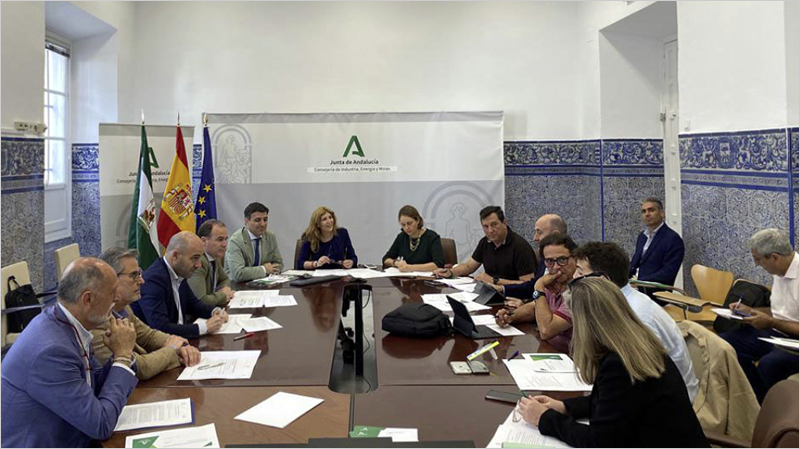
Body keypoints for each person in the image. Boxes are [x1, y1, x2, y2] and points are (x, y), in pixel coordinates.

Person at [517, 277, 708, 448]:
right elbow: (617, 402)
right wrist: (566, 407)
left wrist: (544, 418)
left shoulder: (619, 364)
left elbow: (599, 442)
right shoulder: (637, 343)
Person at [1, 258, 138, 447]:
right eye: (112, 293)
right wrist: (122, 357)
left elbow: (92, 386)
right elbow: (101, 426)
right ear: (87, 299)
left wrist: (119, 355)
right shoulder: (51, 351)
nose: (117, 299)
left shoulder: (67, 322)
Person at [572, 241, 699, 402]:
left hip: (667, 407)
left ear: (602, 280)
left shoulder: (637, 317)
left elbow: (637, 386)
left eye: (580, 271)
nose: (574, 277)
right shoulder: (619, 304)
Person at [94, 247, 202, 380]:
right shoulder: (95, 321)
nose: (141, 281)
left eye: (140, 274)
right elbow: (138, 368)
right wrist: (172, 350)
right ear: (111, 279)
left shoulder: (123, 308)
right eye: (134, 275)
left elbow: (149, 336)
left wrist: (182, 346)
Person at [722, 228, 799, 402]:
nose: (756, 264)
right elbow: (782, 312)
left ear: (775, 257)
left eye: (757, 259)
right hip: (776, 334)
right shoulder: (779, 271)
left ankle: (773, 411)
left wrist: (770, 321)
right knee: (726, 344)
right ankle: (755, 401)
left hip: (796, 343)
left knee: (769, 365)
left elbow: (779, 320)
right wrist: (750, 311)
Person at [133, 231, 229, 338]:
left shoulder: (180, 271)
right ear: (175, 256)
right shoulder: (152, 281)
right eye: (194, 258)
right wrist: (204, 327)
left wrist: (214, 311)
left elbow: (194, 305)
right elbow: (160, 328)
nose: (198, 265)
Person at [495, 234, 577, 353]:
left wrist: (538, 286)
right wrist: (510, 316)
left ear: (575, 258)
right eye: (549, 261)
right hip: (550, 351)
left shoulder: (580, 291)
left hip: (572, 360)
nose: (556, 267)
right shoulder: (554, 283)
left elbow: (546, 331)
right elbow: (535, 306)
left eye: (562, 260)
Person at [434, 206, 536, 285]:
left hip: (513, 297)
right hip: (491, 291)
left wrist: (494, 281)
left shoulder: (520, 247)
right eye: (485, 226)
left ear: (504, 223)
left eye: (494, 224)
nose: (490, 230)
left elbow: (527, 284)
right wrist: (450, 272)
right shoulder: (485, 242)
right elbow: (469, 266)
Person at [496, 214, 567, 308]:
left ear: (555, 235)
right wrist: (502, 289)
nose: (535, 238)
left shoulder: (573, 263)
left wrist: (527, 305)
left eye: (539, 232)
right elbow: (533, 286)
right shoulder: (544, 257)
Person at [629, 197, 684, 293]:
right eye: (644, 211)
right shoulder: (642, 236)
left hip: (654, 291)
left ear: (661, 213)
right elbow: (634, 264)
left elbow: (667, 273)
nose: (647, 214)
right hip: (635, 286)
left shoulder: (672, 239)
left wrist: (640, 282)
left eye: (651, 210)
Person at [226, 202, 284, 281]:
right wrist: (264, 269)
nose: (263, 224)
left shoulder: (270, 236)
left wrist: (268, 270)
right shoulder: (236, 241)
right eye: (257, 220)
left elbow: (279, 264)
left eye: (265, 219)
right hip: (239, 286)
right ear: (246, 221)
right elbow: (238, 273)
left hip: (264, 284)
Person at [383, 205, 445, 272]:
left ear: (417, 220)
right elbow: (386, 259)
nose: (406, 228)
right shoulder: (401, 237)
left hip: (426, 279)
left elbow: (438, 264)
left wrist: (411, 267)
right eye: (403, 225)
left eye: (409, 223)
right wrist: (396, 263)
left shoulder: (431, 237)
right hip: (406, 279)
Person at [189, 219, 234, 307]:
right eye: (220, 239)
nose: (225, 244)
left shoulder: (214, 256)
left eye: (226, 239)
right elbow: (201, 301)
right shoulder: (198, 262)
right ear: (203, 241)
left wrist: (225, 289)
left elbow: (225, 279)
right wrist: (223, 296)